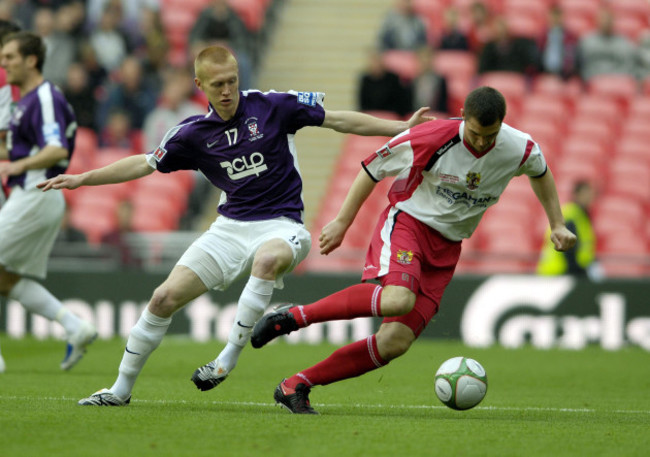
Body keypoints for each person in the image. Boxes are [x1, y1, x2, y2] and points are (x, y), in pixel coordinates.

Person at [38, 45, 432, 406]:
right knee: (162, 299)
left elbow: (339, 121)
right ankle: (119, 390)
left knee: (267, 259)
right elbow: (144, 163)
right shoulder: (192, 134)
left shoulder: (273, 106)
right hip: (228, 229)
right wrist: (82, 178)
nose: (227, 90)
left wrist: (400, 128)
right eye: (218, 84)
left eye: (232, 81)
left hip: (282, 226)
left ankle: (227, 358)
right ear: (199, 85)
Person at [250, 86, 577, 414]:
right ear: (463, 116)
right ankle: (294, 317)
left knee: (394, 342)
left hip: (448, 247)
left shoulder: (518, 147)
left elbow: (541, 172)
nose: (481, 142)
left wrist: (557, 223)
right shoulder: (432, 136)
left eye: (489, 136)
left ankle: (296, 385)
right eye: (475, 133)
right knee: (398, 298)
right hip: (409, 224)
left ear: (501, 125)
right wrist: (342, 222)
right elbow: (370, 169)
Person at [0, 31, 97, 374]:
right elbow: (19, 151)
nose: (4, 63)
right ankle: (73, 325)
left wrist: (19, 164)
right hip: (37, 196)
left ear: (31, 60)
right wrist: (13, 158)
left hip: (34, 193)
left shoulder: (43, 96)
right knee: (4, 279)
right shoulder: (25, 101)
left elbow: (55, 149)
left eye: (10, 56)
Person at [537, 180, 599, 278]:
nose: (589, 197)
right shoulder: (572, 215)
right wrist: (580, 273)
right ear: (576, 195)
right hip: (558, 272)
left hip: (560, 271)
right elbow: (568, 249)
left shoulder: (581, 215)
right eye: (585, 193)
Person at [577, 9, 637, 81]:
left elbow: (628, 66)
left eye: (608, 20)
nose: (605, 22)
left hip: (618, 80)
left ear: (613, 21)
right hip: (593, 78)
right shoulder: (587, 42)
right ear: (597, 21)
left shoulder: (624, 43)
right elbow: (583, 65)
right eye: (603, 20)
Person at [357, 48, 410, 117]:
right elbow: (363, 104)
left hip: (391, 116)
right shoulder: (365, 79)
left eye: (377, 60)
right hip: (371, 116)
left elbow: (400, 102)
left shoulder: (393, 78)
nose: (375, 64)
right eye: (373, 61)